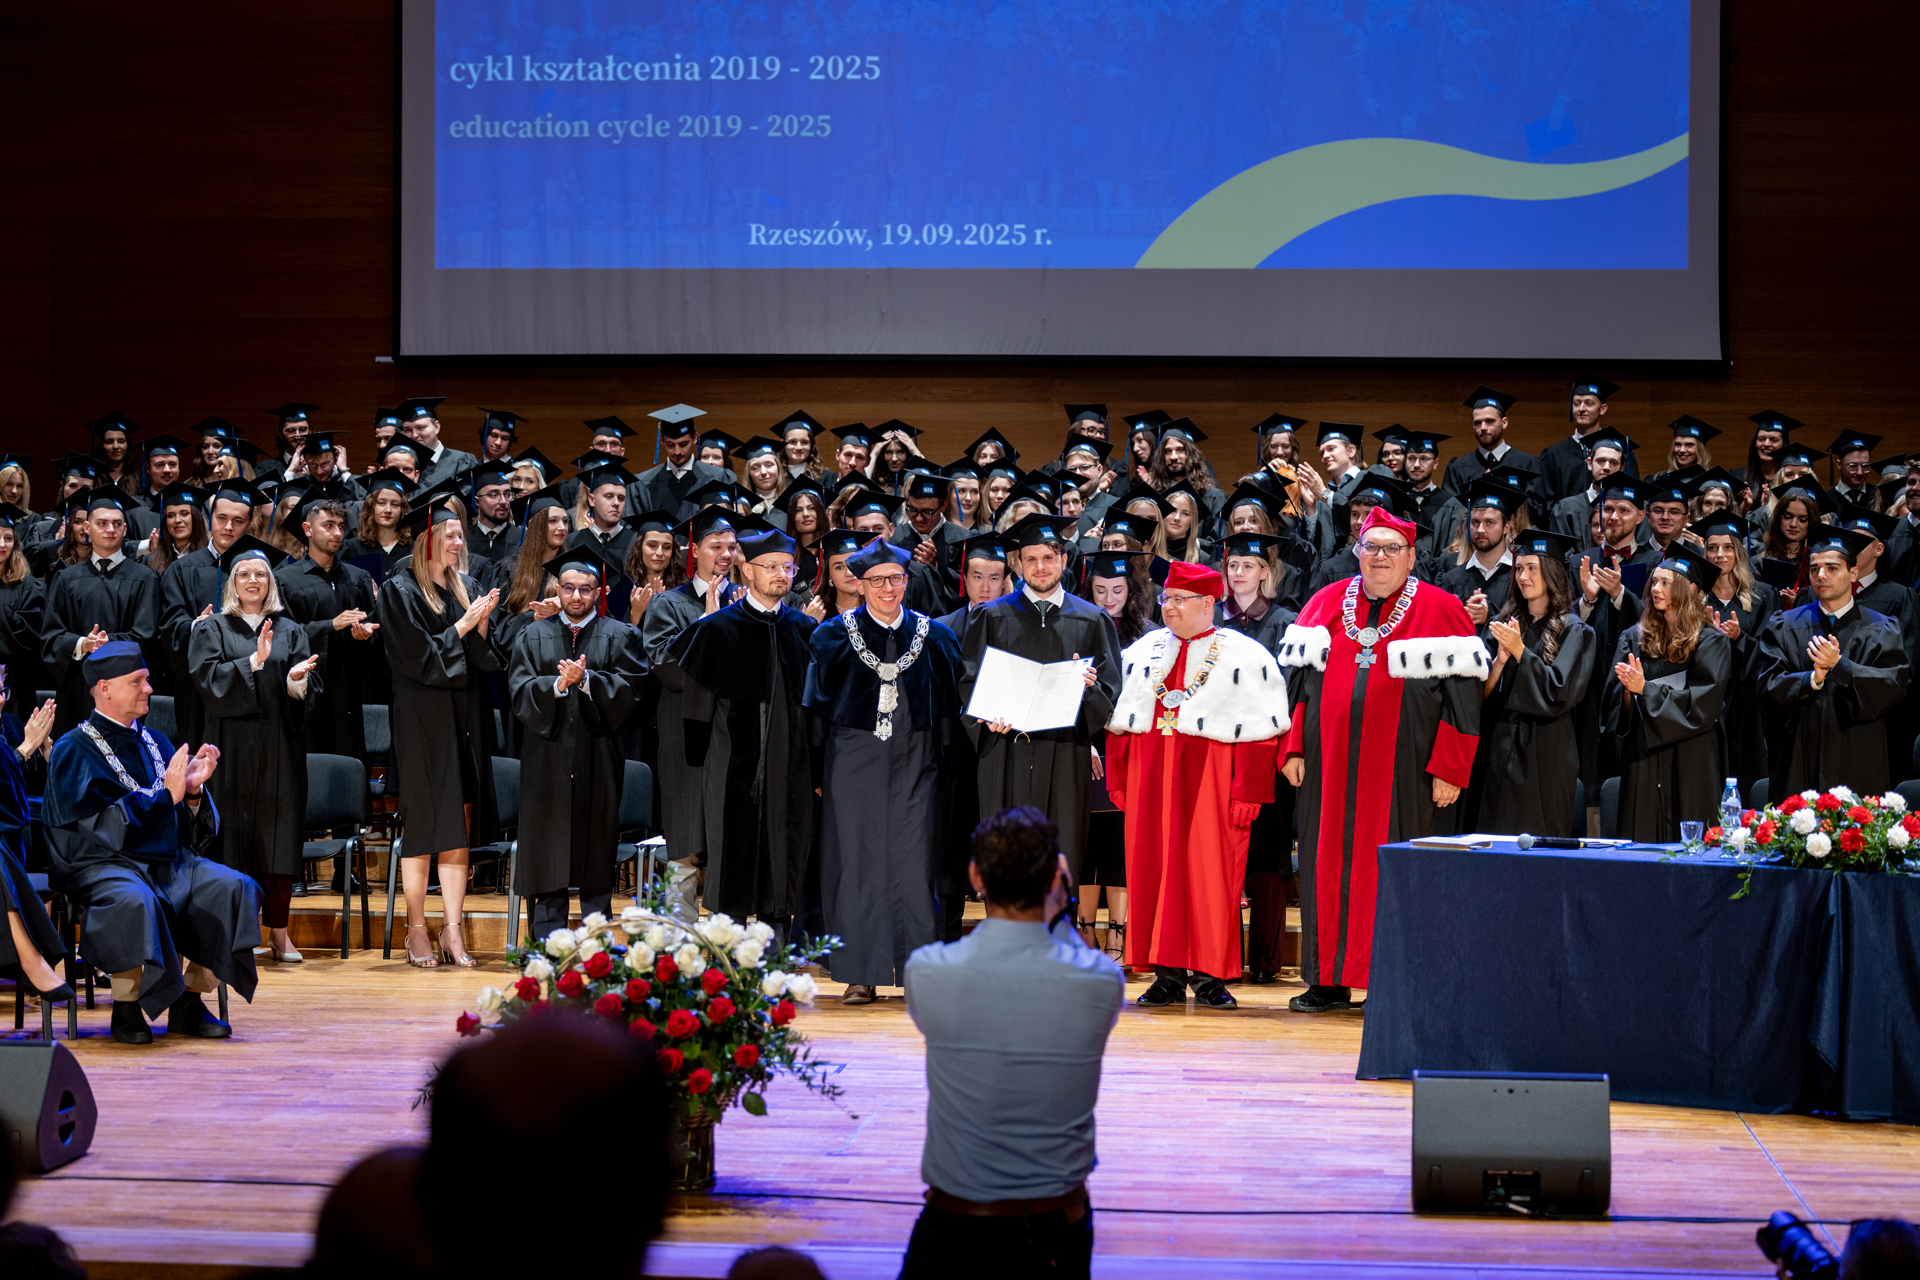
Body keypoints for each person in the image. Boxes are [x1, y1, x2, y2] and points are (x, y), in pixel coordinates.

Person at [899, 806, 1121, 1280]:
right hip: (1056, 1226)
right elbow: (1071, 952)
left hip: (952, 1222)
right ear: (1057, 879)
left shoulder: (928, 971)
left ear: (975, 877)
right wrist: (1058, 907)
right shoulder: (1100, 979)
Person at [1278, 506, 1485, 1013]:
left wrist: (1450, 768)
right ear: (1358, 551)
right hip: (1327, 767)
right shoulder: (1324, 603)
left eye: (1393, 548)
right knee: (1325, 868)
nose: (1380, 557)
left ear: (1411, 557)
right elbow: (1297, 687)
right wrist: (1293, 746)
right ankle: (1327, 981)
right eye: (1371, 546)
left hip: (1405, 771)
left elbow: (1463, 702)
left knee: (1392, 872)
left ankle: (1390, 982)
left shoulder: (1442, 610)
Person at [42, 640, 259, 1044]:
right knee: (134, 900)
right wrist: (165, 797)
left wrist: (191, 793)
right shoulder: (74, 749)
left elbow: (188, 830)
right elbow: (98, 826)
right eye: (137, 681)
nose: (148, 688)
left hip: (166, 860)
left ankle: (188, 1000)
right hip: (102, 864)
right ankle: (126, 1006)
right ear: (105, 688)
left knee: (233, 887)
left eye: (146, 680)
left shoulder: (157, 742)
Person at [1105, 561, 1286, 1010]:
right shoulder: (1143, 651)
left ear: (1208, 603)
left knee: (1211, 876)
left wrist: (1249, 790)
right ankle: (1165, 975)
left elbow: (1260, 729)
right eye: (1166, 598)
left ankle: (1208, 976)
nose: (1169, 607)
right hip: (1150, 779)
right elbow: (1121, 719)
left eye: (1179, 600)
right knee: (1153, 873)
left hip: (1213, 782)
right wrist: (1120, 778)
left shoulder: (1244, 655)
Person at [804, 537, 964, 1004]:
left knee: (917, 864)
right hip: (852, 765)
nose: (887, 589)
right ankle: (860, 972)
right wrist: (816, 775)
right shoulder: (831, 637)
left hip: (917, 763)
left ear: (906, 581)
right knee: (856, 863)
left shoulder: (937, 637)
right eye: (876, 581)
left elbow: (949, 714)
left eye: (895, 579)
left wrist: (945, 770)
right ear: (860, 584)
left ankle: (918, 970)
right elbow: (815, 713)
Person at [958, 514, 1124, 883]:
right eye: (1030, 559)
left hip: (1065, 754)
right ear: (1018, 564)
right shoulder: (991, 616)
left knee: (1061, 856)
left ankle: (1057, 922)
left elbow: (1111, 693)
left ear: (1064, 560)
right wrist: (985, 717)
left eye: (1048, 558)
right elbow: (969, 683)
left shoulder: (1092, 619)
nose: (1040, 567)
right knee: (1004, 857)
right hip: (1005, 751)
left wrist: (1090, 689)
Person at [377, 496, 504, 969]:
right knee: (424, 825)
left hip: (465, 716)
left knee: (458, 823)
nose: (458, 542)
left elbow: (484, 660)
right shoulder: (399, 590)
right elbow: (416, 659)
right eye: (449, 535)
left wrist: (483, 626)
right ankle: (415, 929)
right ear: (427, 539)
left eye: (460, 535)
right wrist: (465, 624)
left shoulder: (468, 586)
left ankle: (453, 928)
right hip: (422, 718)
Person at [670, 524, 815, 932]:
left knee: (781, 866)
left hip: (789, 770)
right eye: (771, 566)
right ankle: (727, 954)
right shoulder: (716, 629)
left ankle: (774, 955)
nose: (781, 574)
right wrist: (702, 765)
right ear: (747, 570)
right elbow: (697, 706)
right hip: (730, 769)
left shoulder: (804, 630)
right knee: (730, 865)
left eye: (787, 567)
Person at [188, 538, 320, 964]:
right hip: (228, 749)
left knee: (279, 839)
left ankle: (279, 932)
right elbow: (207, 681)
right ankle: (235, 932)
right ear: (231, 582)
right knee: (231, 839)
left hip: (280, 748)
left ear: (271, 583)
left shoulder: (290, 629)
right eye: (244, 573)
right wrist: (253, 662)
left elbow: (307, 690)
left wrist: (296, 680)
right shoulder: (211, 629)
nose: (253, 580)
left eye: (261, 574)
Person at [509, 545, 647, 941]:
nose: (576, 596)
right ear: (557, 589)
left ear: (598, 593)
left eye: (585, 589)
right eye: (568, 588)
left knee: (596, 847)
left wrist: (586, 681)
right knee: (546, 849)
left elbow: (632, 690)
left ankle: (597, 944)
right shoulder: (531, 634)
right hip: (546, 757)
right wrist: (558, 684)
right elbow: (518, 689)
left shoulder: (621, 635)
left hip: (598, 755)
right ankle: (546, 945)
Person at [639, 507, 739, 921]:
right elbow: (668, 670)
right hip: (684, 733)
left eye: (731, 547)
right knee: (685, 834)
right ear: (693, 550)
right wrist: (709, 624)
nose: (726, 554)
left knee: (731, 836)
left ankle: (729, 937)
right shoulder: (668, 604)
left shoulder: (748, 602)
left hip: (735, 734)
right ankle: (679, 934)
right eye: (716, 546)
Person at [1758, 527, 1909, 797]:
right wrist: (1811, 679)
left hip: (1858, 751)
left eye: (1832, 568)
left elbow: (1893, 685)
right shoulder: (1785, 625)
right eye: (1814, 569)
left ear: (1853, 573)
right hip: (1797, 754)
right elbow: (1767, 683)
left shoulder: (1882, 628)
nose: (1821, 575)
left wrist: (1841, 667)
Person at [1602, 551, 1733, 842]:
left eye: (1665, 583)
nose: (1656, 589)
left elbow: (1703, 705)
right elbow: (1614, 706)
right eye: (1654, 582)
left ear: (1690, 589)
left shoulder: (1711, 642)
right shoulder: (1634, 638)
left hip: (1692, 758)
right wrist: (1628, 691)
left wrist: (1646, 689)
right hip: (1644, 757)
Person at [1475, 529, 1595, 837]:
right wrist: (1500, 661)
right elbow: (1477, 695)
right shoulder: (1503, 625)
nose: (1523, 576)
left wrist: (1520, 651)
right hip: (1498, 745)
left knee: (1537, 842)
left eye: (1532, 568)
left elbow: (1558, 692)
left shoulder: (1575, 631)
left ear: (1552, 573)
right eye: (1518, 568)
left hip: (1545, 753)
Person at [40, 490, 161, 738]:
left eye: (117, 524)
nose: (110, 529)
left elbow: (146, 636)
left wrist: (109, 643)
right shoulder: (66, 578)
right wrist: (82, 644)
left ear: (125, 529)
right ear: (87, 527)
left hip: (126, 689)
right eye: (102, 523)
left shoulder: (144, 578)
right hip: (77, 688)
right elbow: (50, 636)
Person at [158, 477, 263, 750]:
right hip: (198, 689)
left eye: (238, 521)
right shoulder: (182, 570)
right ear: (209, 519)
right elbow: (169, 625)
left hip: (249, 683)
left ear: (249, 524)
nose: (228, 527)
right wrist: (196, 626)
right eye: (222, 518)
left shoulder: (262, 571)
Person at [276, 498, 381, 760]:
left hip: (348, 689)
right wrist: (330, 625)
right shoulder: (285, 580)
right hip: (309, 688)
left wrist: (364, 635)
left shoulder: (357, 578)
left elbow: (373, 630)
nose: (337, 533)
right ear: (307, 529)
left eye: (341, 526)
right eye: (328, 525)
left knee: (350, 757)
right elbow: (284, 635)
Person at [0, 679, 67, 1003]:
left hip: (15, 832)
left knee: (59, 832)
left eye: (2, 691)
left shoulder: (14, 726)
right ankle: (32, 958)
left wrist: (46, 752)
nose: (0, 700)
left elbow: (39, 788)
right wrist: (25, 749)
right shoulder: (21, 737)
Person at [1440, 388, 1546, 509]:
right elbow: (1449, 511)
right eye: (1477, 423)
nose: (1483, 427)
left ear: (1504, 422)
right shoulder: (1458, 467)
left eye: (1490, 421)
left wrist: (1503, 493)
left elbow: (1539, 509)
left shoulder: (1527, 463)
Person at [1437, 479, 1519, 627]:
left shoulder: (1520, 577)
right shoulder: (1452, 579)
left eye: (1489, 522)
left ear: (1506, 527)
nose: (1480, 530)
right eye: (1475, 522)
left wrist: (1490, 616)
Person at [1540, 378, 1639, 501]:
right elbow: (1545, 503)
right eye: (1576, 403)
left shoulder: (1621, 452)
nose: (1581, 409)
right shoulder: (1553, 455)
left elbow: (1633, 497)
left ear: (1602, 408)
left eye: (1589, 403)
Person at [635, 414, 732, 521]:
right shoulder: (645, 482)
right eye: (670, 445)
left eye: (683, 444)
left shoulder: (717, 476)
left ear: (695, 438)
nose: (677, 452)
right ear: (662, 439)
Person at [1547, 428, 1630, 539]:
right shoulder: (1566, 508)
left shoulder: (1630, 509)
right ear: (1589, 463)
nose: (1606, 467)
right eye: (1600, 461)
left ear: (1622, 467)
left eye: (1613, 463)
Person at [399, 397, 480, 490]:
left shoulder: (461, 461)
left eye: (420, 428)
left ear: (436, 427)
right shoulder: (403, 465)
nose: (414, 435)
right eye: (408, 430)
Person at [567, 465, 640, 564]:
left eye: (621, 498)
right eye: (609, 496)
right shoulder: (573, 541)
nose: (616, 503)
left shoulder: (635, 542)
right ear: (592, 500)